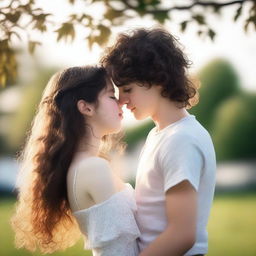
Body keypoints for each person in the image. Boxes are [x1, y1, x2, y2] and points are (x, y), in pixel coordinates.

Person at [102, 27, 216, 256]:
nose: (121, 101)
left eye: (128, 89)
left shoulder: (181, 140)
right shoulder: (160, 135)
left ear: (158, 79)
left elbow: (181, 235)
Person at [11, 66, 140, 256]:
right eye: (112, 96)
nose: (121, 103)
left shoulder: (86, 164)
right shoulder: (92, 168)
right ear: (86, 107)